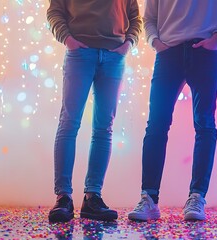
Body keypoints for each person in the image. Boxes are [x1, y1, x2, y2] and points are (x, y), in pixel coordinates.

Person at [128, 0, 217, 221]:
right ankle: (149, 198)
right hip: (168, 53)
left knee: (204, 124)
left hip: (205, 52)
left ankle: (197, 197)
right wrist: (155, 41)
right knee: (156, 124)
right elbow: (150, 18)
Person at [46, 0, 142, 223]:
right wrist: (68, 39)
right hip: (80, 54)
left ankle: (93, 197)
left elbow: (135, 17)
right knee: (69, 124)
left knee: (103, 128)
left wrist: (128, 43)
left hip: (114, 56)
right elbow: (55, 11)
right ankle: (63, 198)